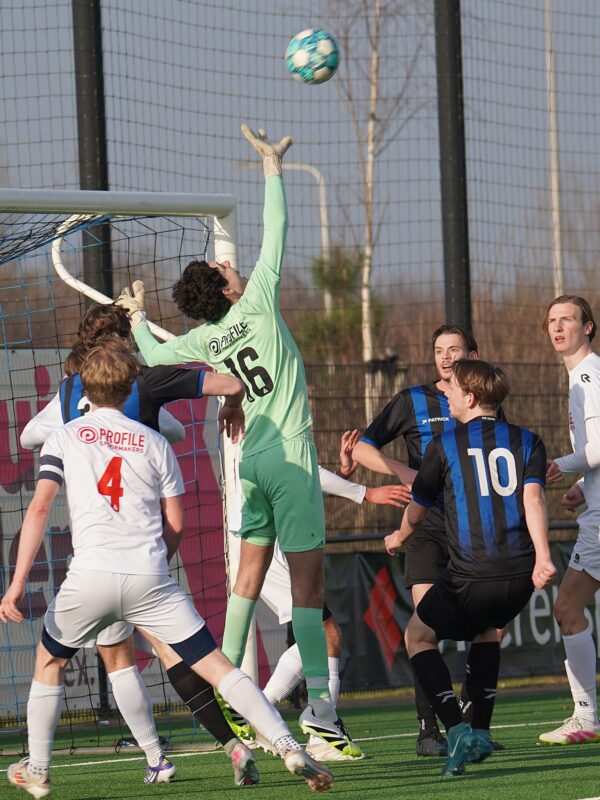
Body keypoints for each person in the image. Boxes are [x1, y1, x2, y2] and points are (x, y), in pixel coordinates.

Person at [1, 341, 333, 798]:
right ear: (130, 386)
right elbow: (176, 523)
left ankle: (38, 769)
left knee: (49, 660)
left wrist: (16, 584)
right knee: (217, 667)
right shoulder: (156, 442)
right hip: (149, 577)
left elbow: (39, 510)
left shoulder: (64, 436)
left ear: (84, 388)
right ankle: (287, 745)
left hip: (89, 575)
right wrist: (155, 567)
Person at [117, 124, 355, 751]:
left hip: (248, 462)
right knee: (308, 591)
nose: (235, 265)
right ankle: (323, 714)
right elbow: (276, 232)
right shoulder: (259, 302)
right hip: (291, 453)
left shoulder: (200, 339)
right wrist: (273, 169)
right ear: (226, 289)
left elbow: (159, 359)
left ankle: (232, 685)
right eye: (227, 267)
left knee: (247, 579)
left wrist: (139, 320)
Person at [19, 303, 259, 787]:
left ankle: (132, 759)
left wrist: (69, 432)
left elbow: (27, 437)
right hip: (146, 549)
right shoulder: (143, 387)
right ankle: (227, 745)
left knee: (105, 657)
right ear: (125, 348)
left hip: (95, 557)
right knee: (175, 654)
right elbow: (175, 429)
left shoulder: (68, 397)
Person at [384, 359, 556, 777]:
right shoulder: (530, 441)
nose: (446, 393)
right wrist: (545, 557)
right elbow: (534, 501)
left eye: (453, 388)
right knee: (485, 631)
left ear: (471, 398)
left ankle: (458, 729)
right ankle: (479, 730)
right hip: (520, 575)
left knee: (418, 636)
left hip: (470, 574)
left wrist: (399, 537)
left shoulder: (443, 444)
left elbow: (418, 510)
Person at [353, 324, 504, 756]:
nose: (445, 357)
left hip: (471, 528)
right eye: (438, 350)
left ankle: (477, 728)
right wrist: (403, 473)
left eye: (454, 350)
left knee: (487, 629)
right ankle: (429, 731)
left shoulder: (485, 404)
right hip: (423, 528)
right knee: (426, 623)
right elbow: (364, 446)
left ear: (472, 353)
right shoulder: (411, 400)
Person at [228, 430, 409, 762]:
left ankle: (268, 716)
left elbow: (296, 482)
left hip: (263, 542)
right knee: (328, 635)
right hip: (265, 547)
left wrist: (341, 476)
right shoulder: (272, 425)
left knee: (322, 636)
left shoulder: (266, 429)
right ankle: (318, 733)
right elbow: (303, 469)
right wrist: (365, 493)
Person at [539, 295, 600, 745]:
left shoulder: (587, 377)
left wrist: (562, 465)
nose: (559, 327)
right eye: (552, 321)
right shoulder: (582, 376)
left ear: (589, 327)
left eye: (568, 320)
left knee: (567, 608)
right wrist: (584, 483)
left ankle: (586, 716)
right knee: (568, 608)